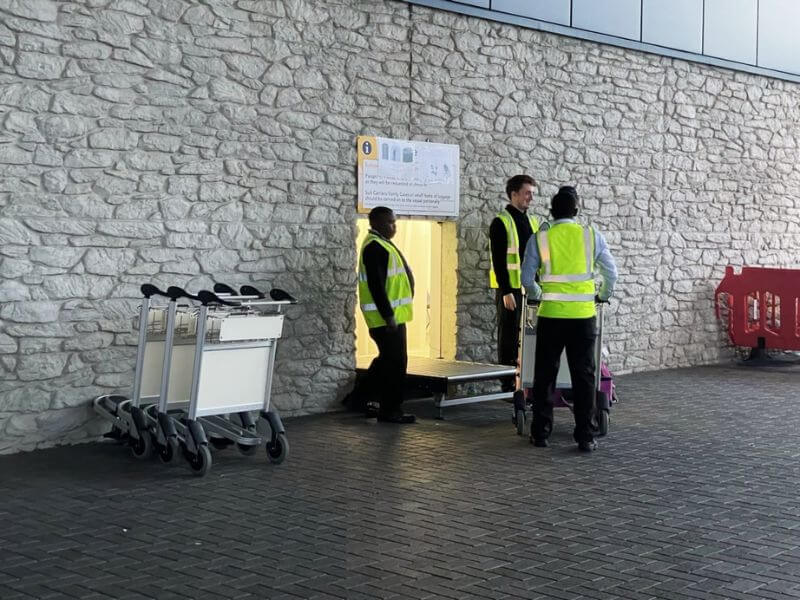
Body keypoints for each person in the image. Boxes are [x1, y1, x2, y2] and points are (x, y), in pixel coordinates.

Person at [521, 186, 617, 452]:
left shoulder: (540, 238)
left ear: (551, 211)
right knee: (584, 376)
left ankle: (540, 433)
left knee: (544, 375)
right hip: (583, 317)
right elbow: (612, 273)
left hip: (550, 316)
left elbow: (527, 279)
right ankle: (585, 436)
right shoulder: (590, 236)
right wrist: (602, 295)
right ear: (576, 211)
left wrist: (539, 295)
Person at [355, 206, 416, 424]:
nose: (394, 226)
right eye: (390, 222)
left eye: (394, 222)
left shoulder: (383, 244)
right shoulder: (375, 247)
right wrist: (388, 316)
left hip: (394, 317)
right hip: (386, 319)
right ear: (377, 223)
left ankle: (361, 398)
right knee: (396, 363)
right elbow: (376, 285)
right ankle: (390, 410)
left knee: (387, 360)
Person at [489, 174, 540, 392]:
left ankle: (526, 380)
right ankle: (507, 384)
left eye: (532, 194)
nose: (531, 198)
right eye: (527, 193)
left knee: (528, 336)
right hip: (511, 290)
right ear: (514, 194)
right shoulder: (501, 222)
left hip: (531, 290)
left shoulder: (533, 221)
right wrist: (506, 292)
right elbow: (499, 260)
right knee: (509, 336)